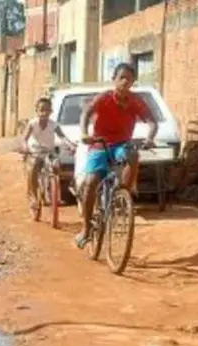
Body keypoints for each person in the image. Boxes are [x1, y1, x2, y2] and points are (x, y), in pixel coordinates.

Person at [75, 62, 158, 249]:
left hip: (122, 145)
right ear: (114, 80)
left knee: (134, 155)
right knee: (91, 182)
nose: (125, 82)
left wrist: (150, 137)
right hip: (99, 144)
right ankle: (86, 228)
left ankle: (124, 193)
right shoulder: (104, 98)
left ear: (133, 82)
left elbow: (152, 121)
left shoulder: (136, 101)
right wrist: (84, 133)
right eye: (121, 77)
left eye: (129, 79)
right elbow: (86, 114)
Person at [21, 97, 75, 210]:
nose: (44, 113)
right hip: (35, 151)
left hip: (49, 151)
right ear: (36, 111)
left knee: (56, 166)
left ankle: (55, 193)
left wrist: (70, 145)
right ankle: (33, 197)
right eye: (41, 110)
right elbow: (24, 139)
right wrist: (25, 147)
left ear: (51, 112)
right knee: (34, 169)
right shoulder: (32, 123)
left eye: (47, 110)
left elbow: (62, 137)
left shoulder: (53, 125)